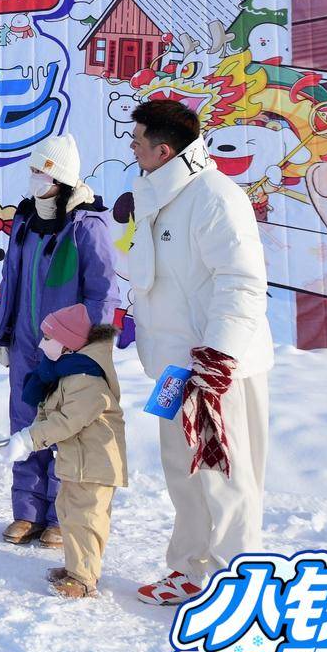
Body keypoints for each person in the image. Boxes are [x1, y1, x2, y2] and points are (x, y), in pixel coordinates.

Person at [123, 99, 273, 607]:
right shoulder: (157, 194)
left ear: (164, 150)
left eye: (138, 140)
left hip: (214, 371)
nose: (132, 147)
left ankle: (241, 589)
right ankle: (189, 568)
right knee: (182, 472)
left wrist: (217, 357)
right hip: (174, 369)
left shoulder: (214, 197)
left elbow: (242, 282)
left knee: (224, 478)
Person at [0, 134, 117, 548]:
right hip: (26, 342)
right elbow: (11, 280)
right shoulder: (25, 219)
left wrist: (80, 343)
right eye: (31, 169)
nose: (33, 177)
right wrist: (3, 330)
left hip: (68, 347)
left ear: (59, 177)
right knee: (25, 422)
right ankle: (27, 512)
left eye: (39, 170)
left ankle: (60, 516)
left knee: (63, 429)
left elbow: (103, 295)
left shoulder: (86, 225)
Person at [1, 305, 128, 599]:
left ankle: (83, 578)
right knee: (69, 514)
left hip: (95, 465)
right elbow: (50, 413)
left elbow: (68, 420)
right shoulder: (66, 374)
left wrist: (31, 439)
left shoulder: (87, 379)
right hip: (78, 462)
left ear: (68, 343)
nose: (42, 344)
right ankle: (76, 568)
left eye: (48, 338)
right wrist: (28, 437)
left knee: (86, 519)